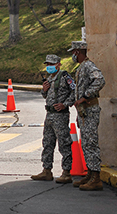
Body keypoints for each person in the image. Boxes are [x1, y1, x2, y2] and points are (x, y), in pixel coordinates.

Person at [31, 54, 76, 183]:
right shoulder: (50, 79)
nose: (49, 67)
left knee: (64, 143)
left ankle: (67, 172)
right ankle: (46, 170)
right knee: (47, 142)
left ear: (58, 64)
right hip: (49, 114)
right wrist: (44, 90)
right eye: (48, 65)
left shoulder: (65, 76)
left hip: (60, 115)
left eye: (52, 64)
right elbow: (46, 96)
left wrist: (65, 104)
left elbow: (74, 91)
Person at [70, 40, 106, 191]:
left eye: (73, 52)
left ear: (78, 52)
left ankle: (96, 177)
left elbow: (100, 80)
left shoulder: (89, 66)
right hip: (84, 111)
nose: (72, 55)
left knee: (91, 143)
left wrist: (85, 96)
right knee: (85, 142)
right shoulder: (82, 67)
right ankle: (90, 173)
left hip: (90, 109)